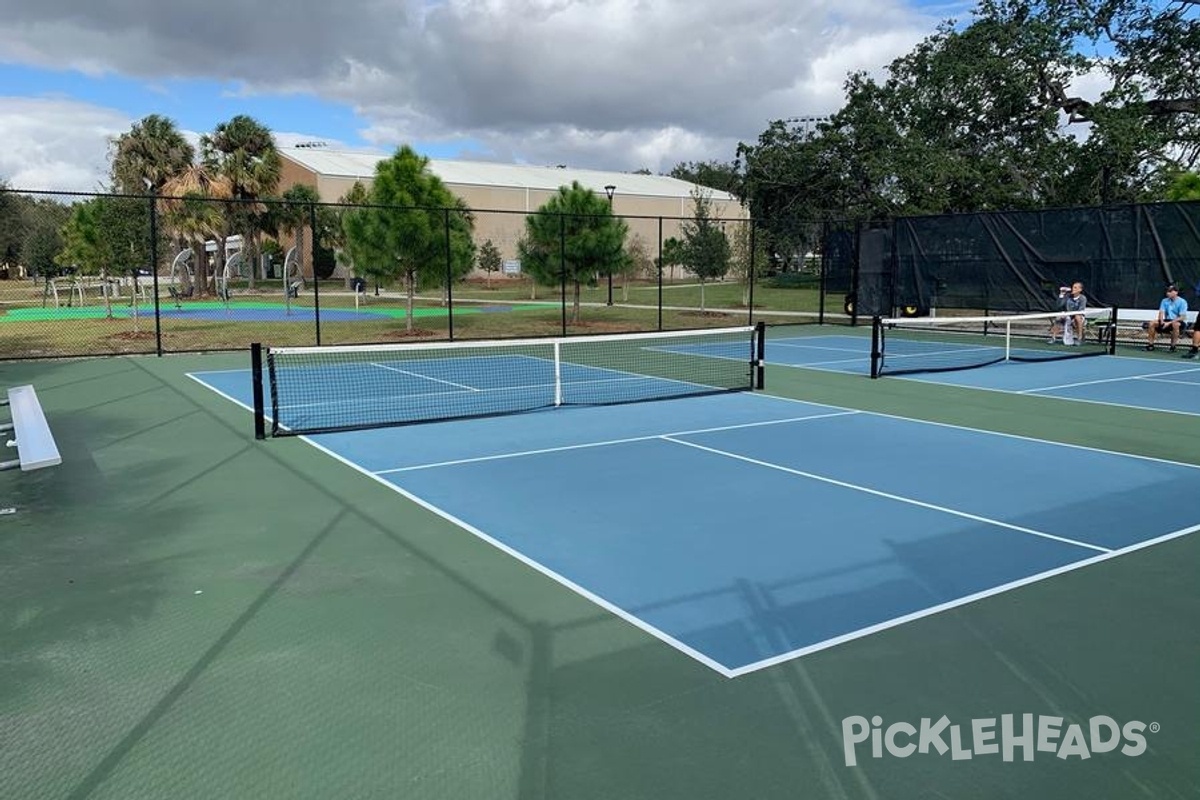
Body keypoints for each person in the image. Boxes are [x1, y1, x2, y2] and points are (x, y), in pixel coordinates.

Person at [1145, 284, 1188, 352]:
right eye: (1167, 291)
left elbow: (1182, 317)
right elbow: (1161, 312)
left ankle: (1173, 347)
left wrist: (1168, 323)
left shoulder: (1182, 302)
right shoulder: (1164, 301)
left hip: (1179, 321)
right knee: (1151, 323)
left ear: (1176, 292)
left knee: (1175, 324)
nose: (1168, 293)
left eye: (1170, 291)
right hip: (1167, 321)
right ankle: (1150, 345)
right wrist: (1162, 322)